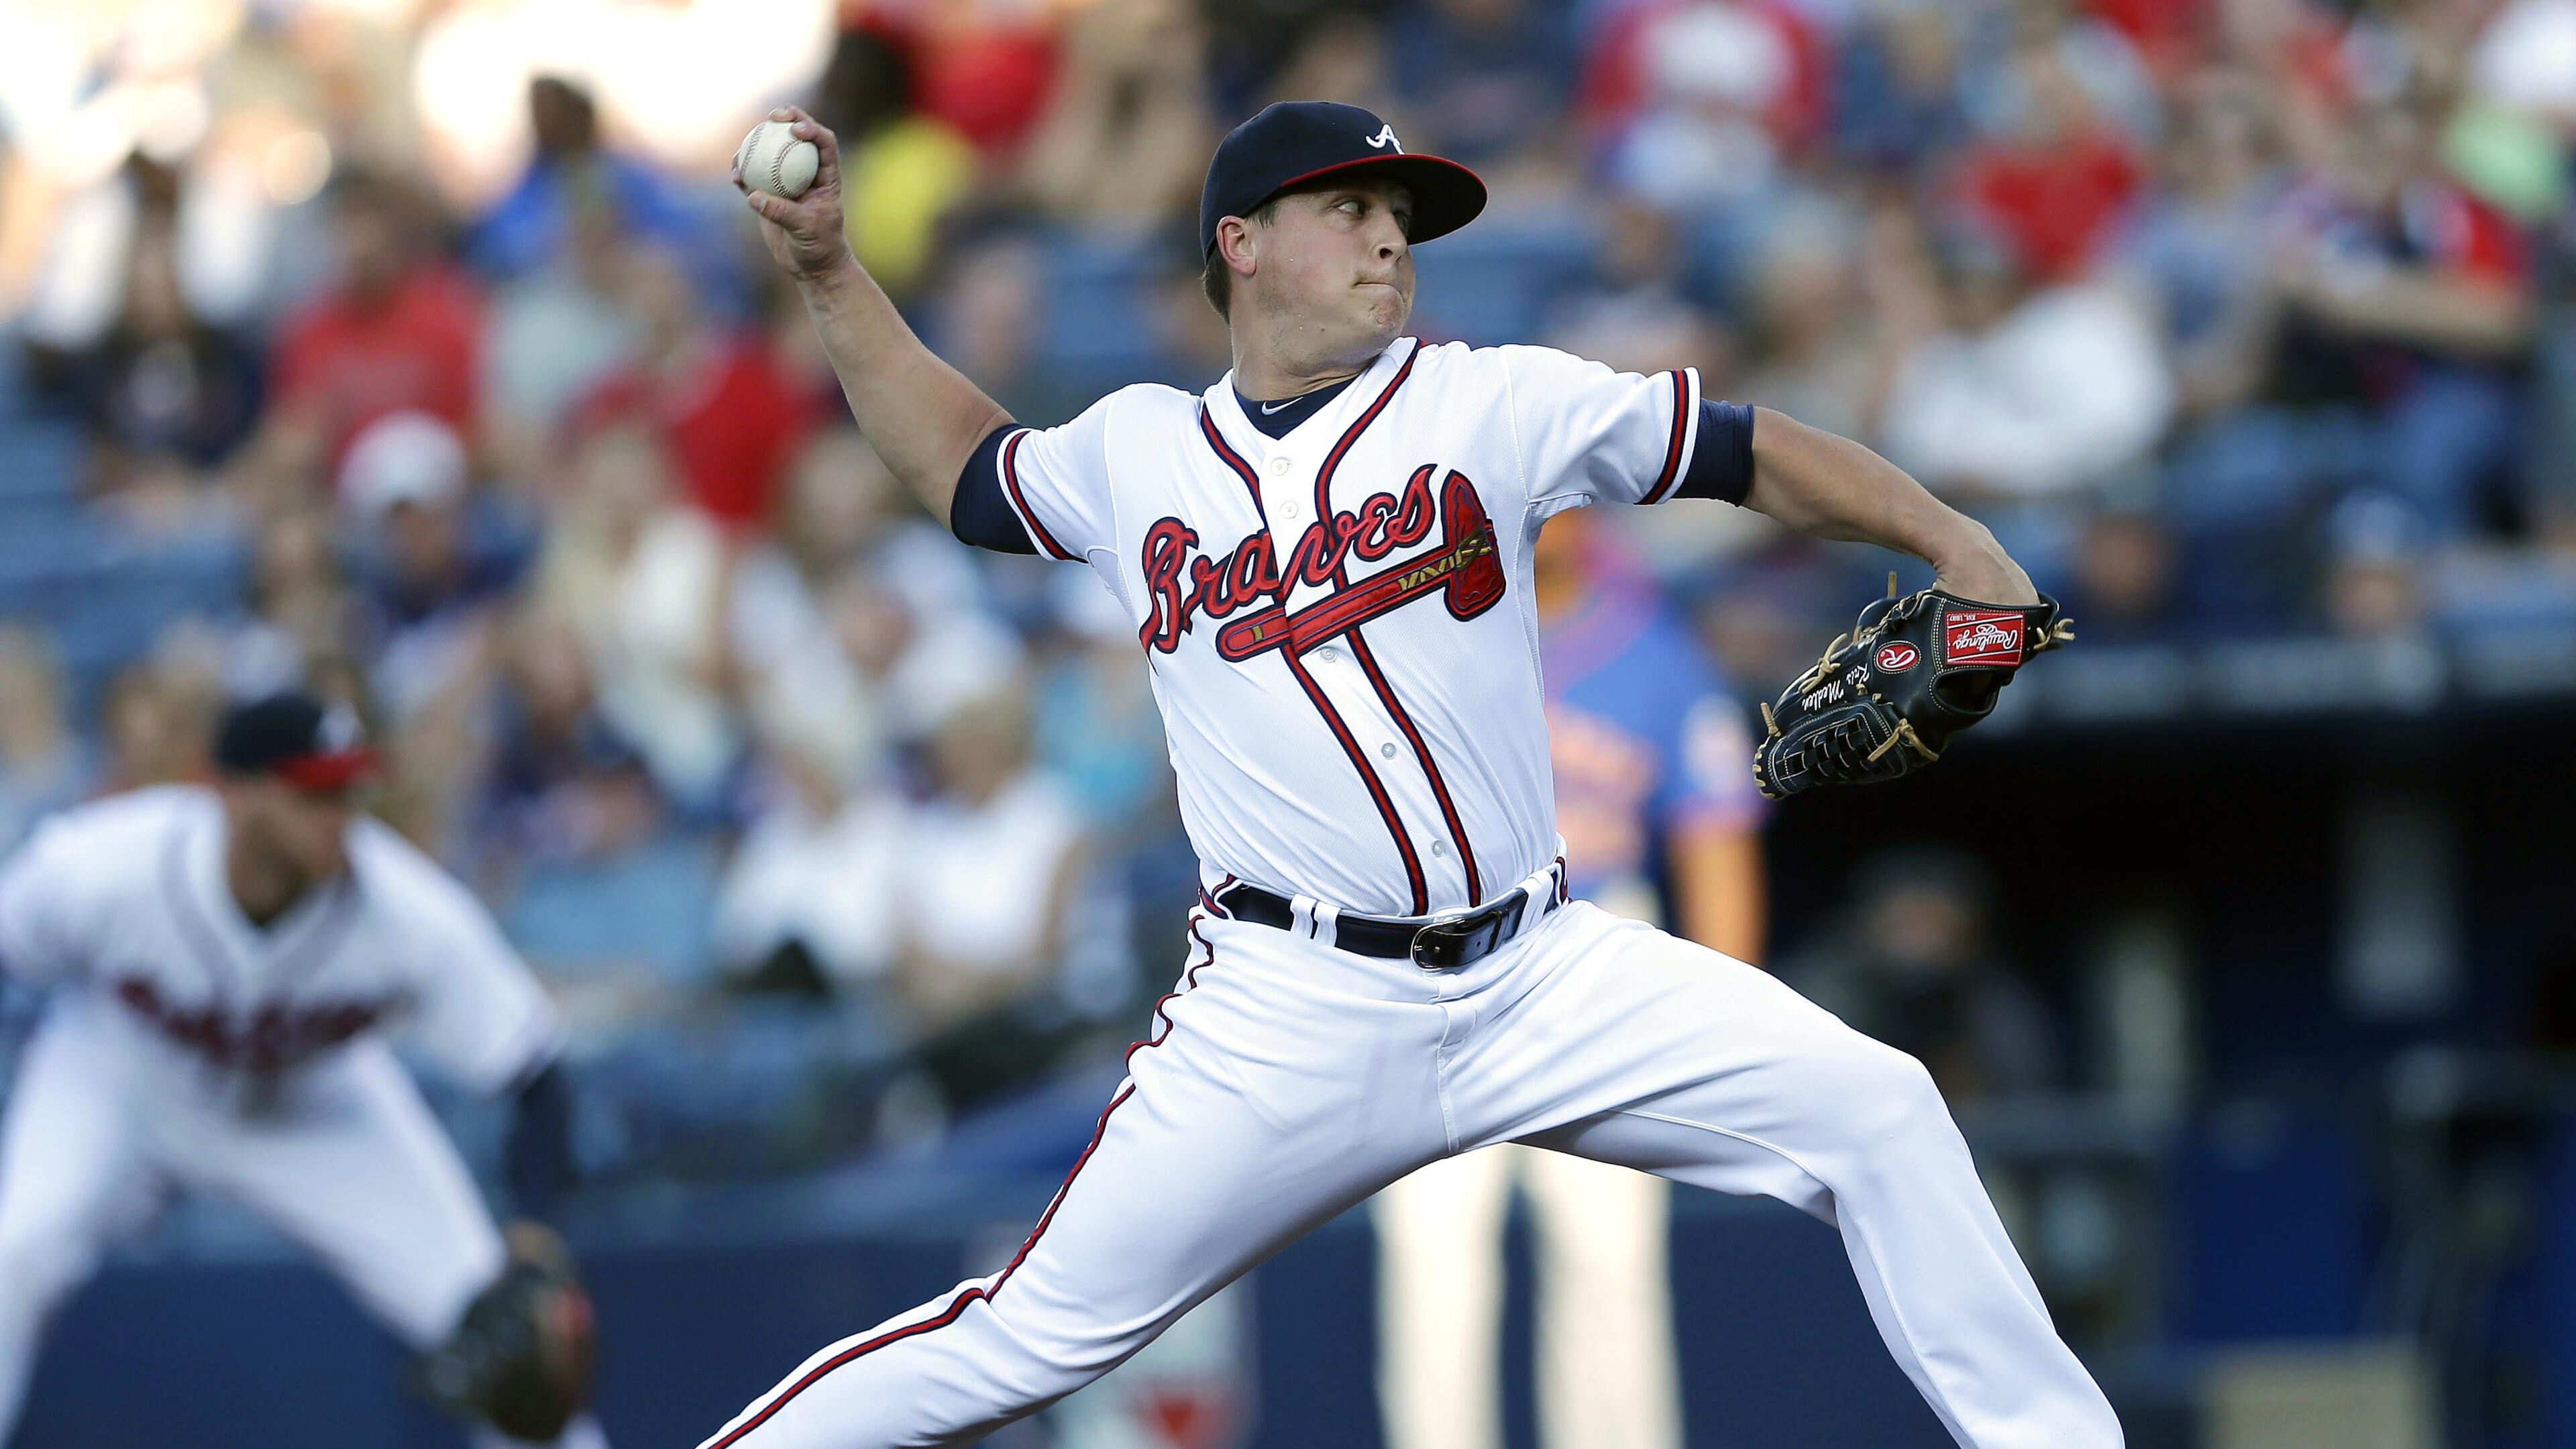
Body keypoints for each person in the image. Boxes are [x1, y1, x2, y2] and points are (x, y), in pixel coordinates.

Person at [705, 99, 2121, 1448]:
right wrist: (831, 271)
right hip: (1287, 1008)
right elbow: (962, 463)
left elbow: (1749, 454)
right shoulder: (1138, 452)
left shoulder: (1490, 403)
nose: (1391, 236)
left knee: (1881, 1110)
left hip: (1542, 969)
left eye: (1401, 213)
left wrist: (1957, 543)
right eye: (1350, 206)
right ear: (1241, 243)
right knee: (1018, 1343)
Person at [0, 694, 603, 1449]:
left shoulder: (404, 908)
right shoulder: (98, 868)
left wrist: (536, 1238)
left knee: (497, 1328)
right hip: (118, 1075)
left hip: (315, 1099)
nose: (340, 814)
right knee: (13, 1255)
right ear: (233, 790)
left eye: (350, 789)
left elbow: (537, 1072)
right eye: (313, 792)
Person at [1374, 504, 1768, 1449]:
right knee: (1431, 1251)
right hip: (1438, 953)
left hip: (1595, 948)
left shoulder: (1654, 651)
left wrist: (1721, 1023)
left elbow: (1715, 840)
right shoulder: (1405, 635)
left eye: (1557, 495)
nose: (1535, 514)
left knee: (1609, 1251)